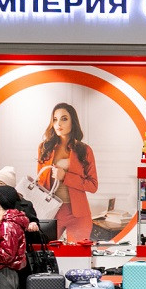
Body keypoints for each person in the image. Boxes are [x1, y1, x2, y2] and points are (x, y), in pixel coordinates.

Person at [37, 102, 98, 241]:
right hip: (51, 212)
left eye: (64, 119)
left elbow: (93, 185)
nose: (58, 123)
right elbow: (40, 183)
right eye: (55, 119)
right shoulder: (44, 148)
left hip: (78, 214)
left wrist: (65, 176)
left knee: (78, 254)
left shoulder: (84, 150)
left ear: (72, 122)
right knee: (47, 252)